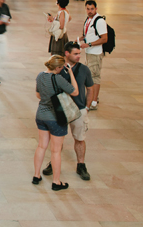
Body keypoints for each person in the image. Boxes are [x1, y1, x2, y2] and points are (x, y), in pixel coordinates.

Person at [42, 43, 94, 181]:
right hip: (60, 110)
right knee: (58, 139)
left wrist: (87, 107)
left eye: (79, 53)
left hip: (79, 109)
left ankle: (81, 165)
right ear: (66, 53)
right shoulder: (58, 68)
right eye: (75, 54)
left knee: (80, 138)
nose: (78, 56)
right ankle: (53, 163)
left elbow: (90, 88)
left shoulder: (84, 69)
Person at [32, 55, 79, 191]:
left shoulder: (40, 76)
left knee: (41, 146)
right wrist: (70, 73)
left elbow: (38, 95)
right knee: (56, 151)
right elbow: (75, 92)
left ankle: (36, 176)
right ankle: (56, 182)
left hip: (41, 115)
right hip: (56, 118)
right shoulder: (58, 78)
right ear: (58, 67)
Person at [77, 0, 108, 110]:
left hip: (95, 53)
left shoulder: (99, 21)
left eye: (92, 9)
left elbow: (104, 39)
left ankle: (93, 101)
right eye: (88, 9)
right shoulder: (89, 19)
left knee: (94, 77)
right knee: (90, 76)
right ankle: (92, 98)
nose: (90, 11)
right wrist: (82, 38)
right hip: (89, 53)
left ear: (96, 8)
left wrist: (89, 44)